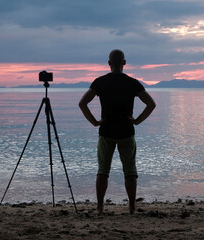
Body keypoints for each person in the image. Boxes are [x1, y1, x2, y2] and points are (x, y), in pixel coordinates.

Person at [79, 49, 156, 214]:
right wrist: (137, 121)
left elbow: (82, 103)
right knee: (130, 171)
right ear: (124, 63)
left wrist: (94, 122)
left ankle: (100, 208)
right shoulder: (132, 83)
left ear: (109, 63)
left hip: (106, 131)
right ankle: (132, 208)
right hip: (127, 132)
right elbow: (151, 104)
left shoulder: (100, 82)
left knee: (103, 170)